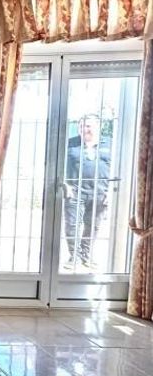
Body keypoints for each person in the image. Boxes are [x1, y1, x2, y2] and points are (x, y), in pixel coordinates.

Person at [63, 113, 111, 270]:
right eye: (81, 126)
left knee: (93, 226)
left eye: (88, 126)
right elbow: (59, 164)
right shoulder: (70, 144)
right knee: (72, 225)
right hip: (75, 191)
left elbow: (118, 167)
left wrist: (110, 191)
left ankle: (86, 254)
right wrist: (66, 184)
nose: (84, 129)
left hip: (100, 193)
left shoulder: (110, 144)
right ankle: (74, 256)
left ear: (98, 127)